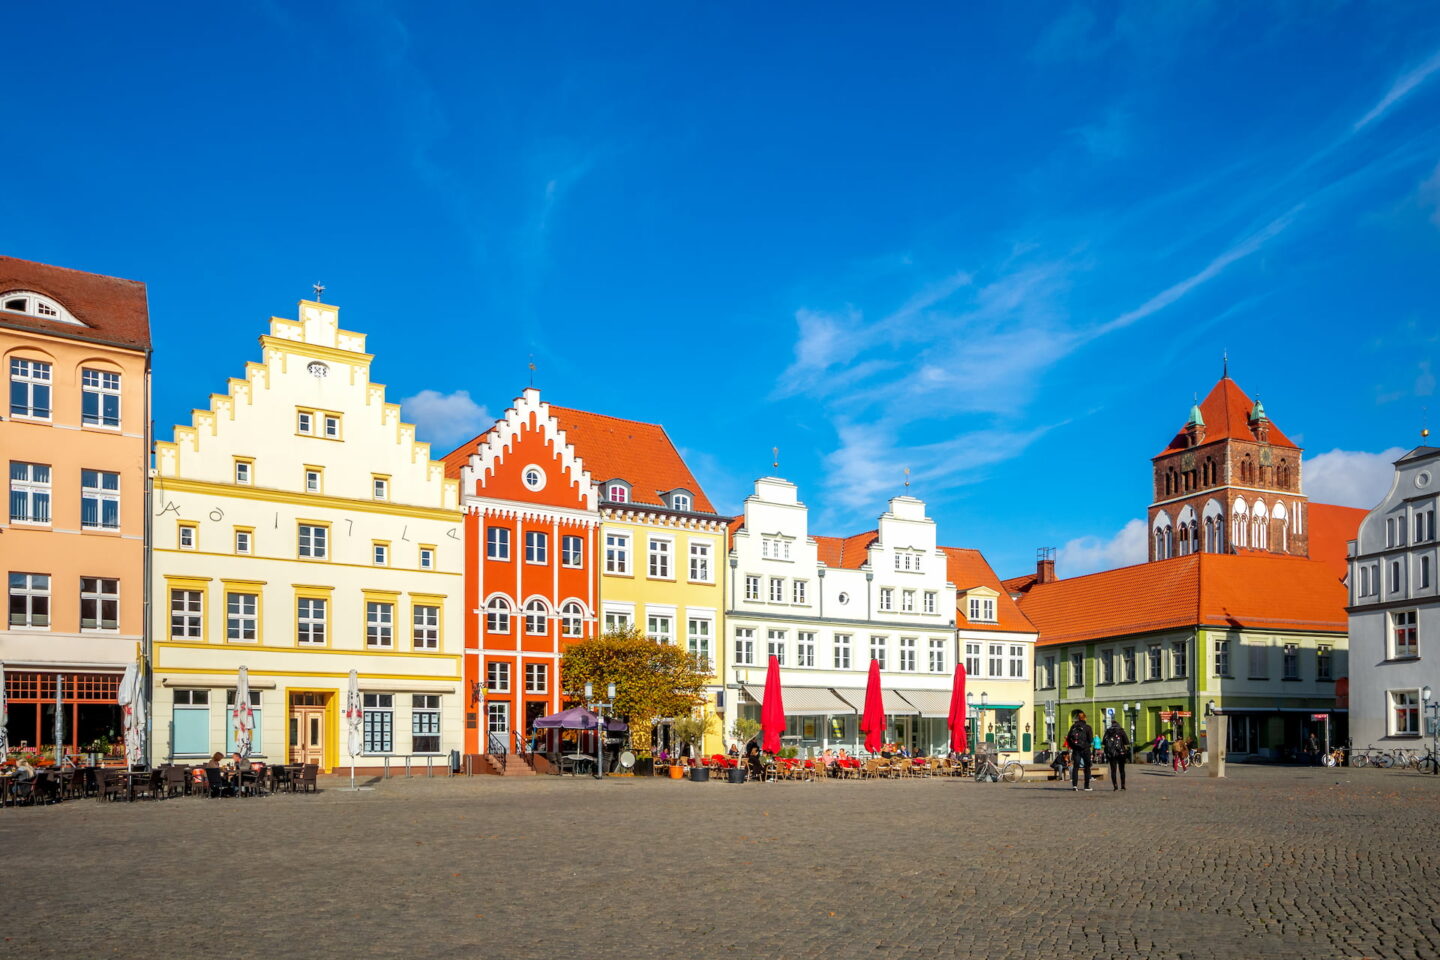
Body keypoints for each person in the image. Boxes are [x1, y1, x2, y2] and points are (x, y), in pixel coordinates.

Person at [1065, 712, 1095, 791]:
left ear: (1078, 718)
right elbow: (1091, 739)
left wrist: (1073, 746)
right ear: (1085, 718)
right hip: (1086, 749)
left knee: (1076, 767)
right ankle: (1086, 786)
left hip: (1076, 750)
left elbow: (1068, 738)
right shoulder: (1088, 727)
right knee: (1087, 767)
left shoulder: (1073, 727)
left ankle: (1075, 786)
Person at [1103, 720, 1131, 791]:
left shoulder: (1108, 731)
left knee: (1113, 770)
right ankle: (1123, 786)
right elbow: (1126, 742)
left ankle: (1115, 786)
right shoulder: (1121, 731)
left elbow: (1103, 742)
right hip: (1120, 752)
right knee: (1122, 770)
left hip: (1111, 753)